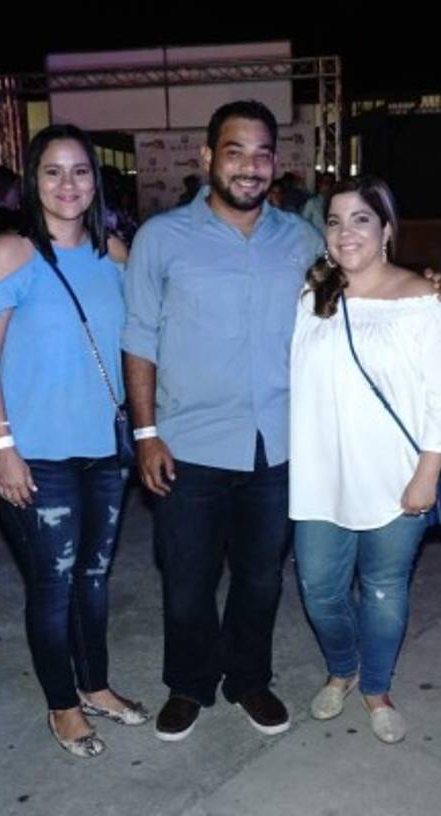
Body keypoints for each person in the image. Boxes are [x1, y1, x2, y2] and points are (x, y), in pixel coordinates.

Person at [122, 99, 323, 742]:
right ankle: (188, 684)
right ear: (207, 158)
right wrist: (146, 432)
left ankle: (249, 680)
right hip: (189, 445)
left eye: (263, 152)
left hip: (279, 444)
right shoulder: (162, 238)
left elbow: (353, 305)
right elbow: (139, 339)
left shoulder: (301, 239)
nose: (250, 165)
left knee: (261, 579)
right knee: (187, 582)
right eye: (235, 151)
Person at [0, 124, 146, 759]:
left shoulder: (113, 253)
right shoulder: (10, 252)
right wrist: (2, 446)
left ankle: (95, 685)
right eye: (53, 172)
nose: (69, 185)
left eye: (81, 171)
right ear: (33, 182)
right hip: (36, 456)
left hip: (103, 450)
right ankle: (61, 706)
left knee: (94, 576)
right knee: (54, 583)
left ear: (97, 180)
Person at [289, 176, 441, 743]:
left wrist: (428, 473)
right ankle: (343, 668)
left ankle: (376, 687)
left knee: (385, 588)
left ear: (386, 230)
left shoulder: (424, 303)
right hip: (320, 476)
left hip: (396, 477)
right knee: (319, 587)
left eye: (361, 219)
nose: (347, 232)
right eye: (336, 221)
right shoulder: (311, 300)